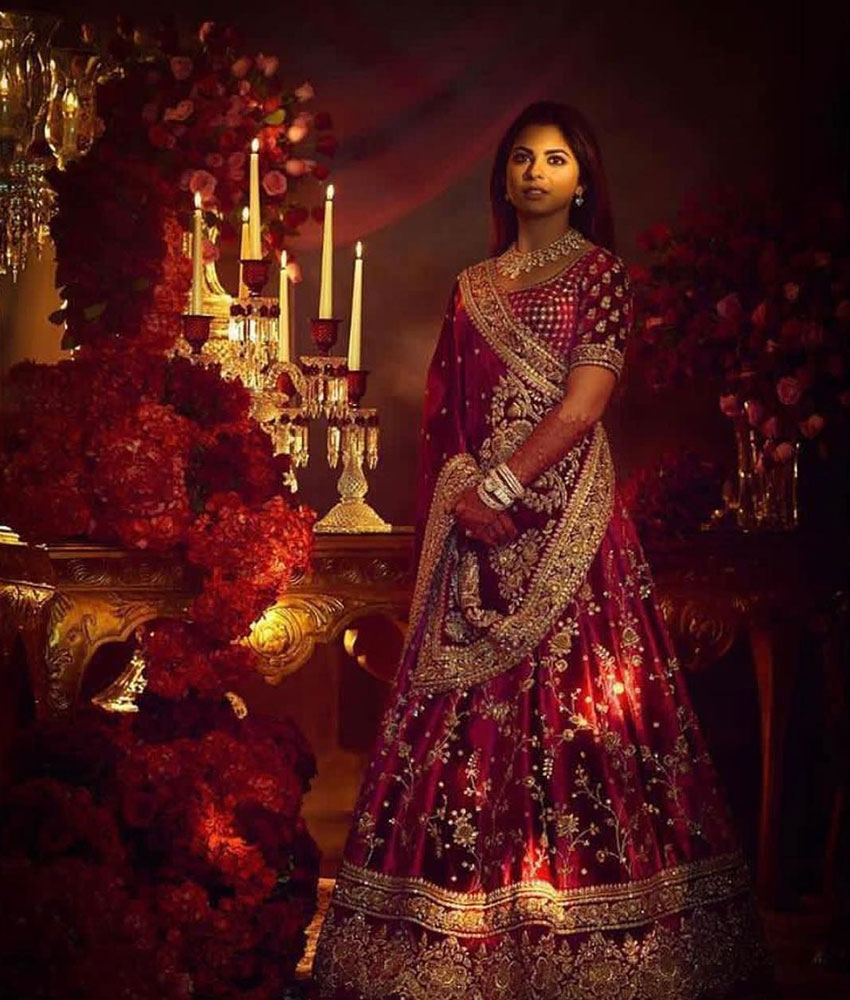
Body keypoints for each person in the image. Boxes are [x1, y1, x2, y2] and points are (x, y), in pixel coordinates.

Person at [313, 101, 773, 999]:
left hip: (570, 533)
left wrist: (501, 487)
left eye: (554, 159)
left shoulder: (601, 274)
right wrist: (468, 498)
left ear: (583, 178)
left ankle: (592, 948)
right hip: (476, 546)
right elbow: (448, 420)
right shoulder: (472, 284)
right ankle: (453, 950)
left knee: (589, 718)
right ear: (503, 178)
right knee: (465, 739)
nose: (534, 172)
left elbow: (585, 402)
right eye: (521, 158)